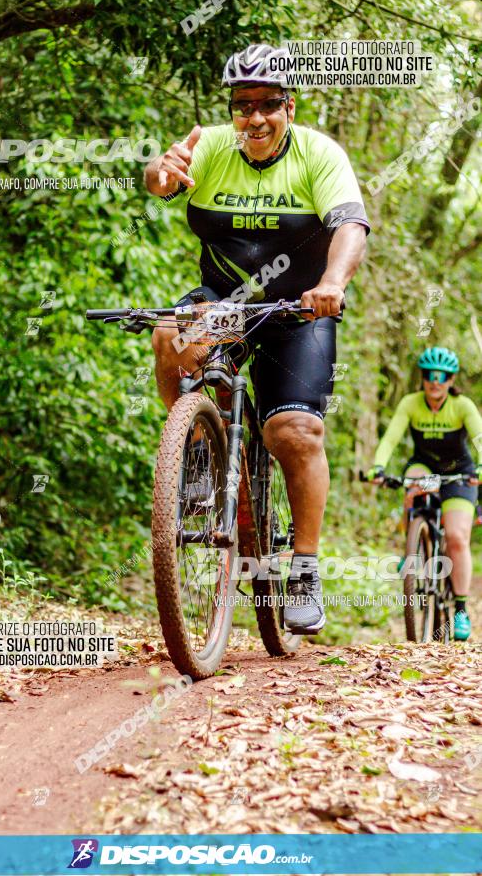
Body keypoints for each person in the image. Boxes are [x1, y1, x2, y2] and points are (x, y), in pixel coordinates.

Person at [144, 43, 370, 634]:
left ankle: (304, 567)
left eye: (268, 103)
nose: (255, 118)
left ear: (289, 106)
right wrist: (160, 174)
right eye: (243, 106)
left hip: (297, 309)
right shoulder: (214, 146)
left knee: (292, 431)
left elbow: (350, 225)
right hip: (224, 303)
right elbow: (161, 182)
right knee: (170, 333)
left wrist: (330, 282)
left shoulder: (320, 154)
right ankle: (194, 448)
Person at [367, 347, 482, 641]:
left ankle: (460, 608)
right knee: (412, 482)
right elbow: (391, 437)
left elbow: (480, 437)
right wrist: (378, 466)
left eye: (441, 377)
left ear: (450, 379)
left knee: (457, 537)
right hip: (425, 467)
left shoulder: (462, 405)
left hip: (459, 472)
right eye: (429, 376)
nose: (435, 382)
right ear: (423, 378)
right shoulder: (411, 403)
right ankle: (412, 546)